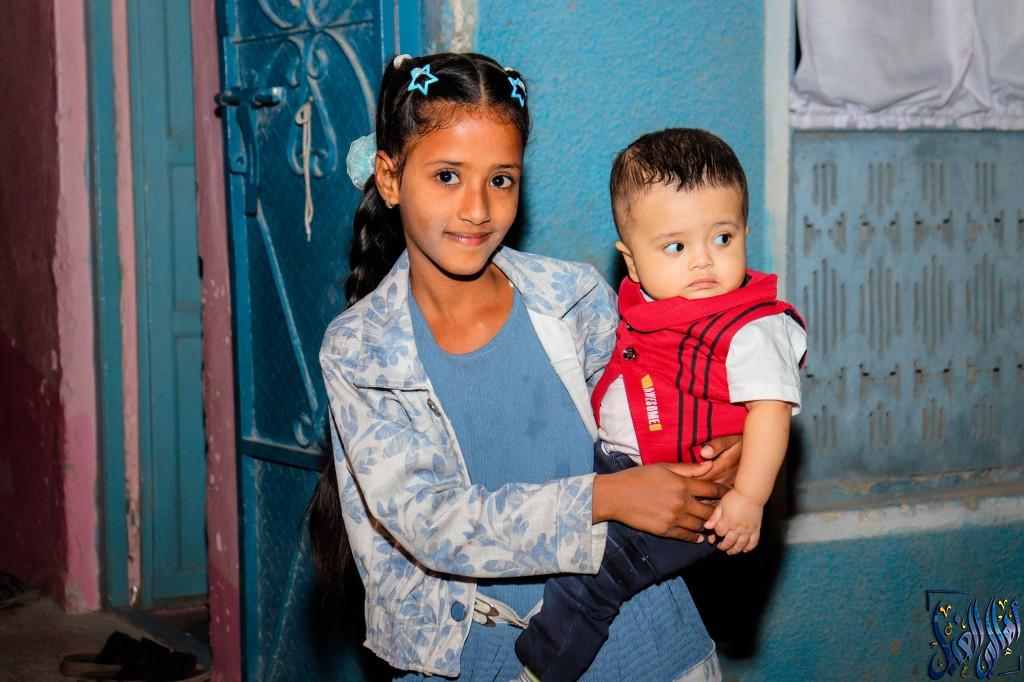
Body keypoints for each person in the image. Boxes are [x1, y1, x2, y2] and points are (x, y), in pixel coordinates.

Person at [310, 54, 741, 680]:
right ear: (390, 177)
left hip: (648, 645)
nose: (478, 208)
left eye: (502, 179)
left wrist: (724, 445)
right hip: (471, 658)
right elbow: (430, 522)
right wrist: (607, 497)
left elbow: (656, 411)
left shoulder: (572, 298)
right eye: (448, 176)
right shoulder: (360, 350)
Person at [514, 128, 807, 681]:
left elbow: (770, 413)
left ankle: (540, 668)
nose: (703, 261)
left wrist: (748, 497)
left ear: (745, 233)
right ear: (631, 261)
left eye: (722, 238)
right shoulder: (634, 302)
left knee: (597, 574)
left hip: (689, 497)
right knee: (552, 506)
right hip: (616, 467)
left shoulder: (751, 328)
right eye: (676, 247)